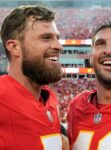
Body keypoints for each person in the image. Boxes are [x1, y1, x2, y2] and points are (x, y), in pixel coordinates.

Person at [0, 5, 69, 150]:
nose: (58, 46)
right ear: (14, 47)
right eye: (46, 38)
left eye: (57, 38)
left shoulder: (49, 98)